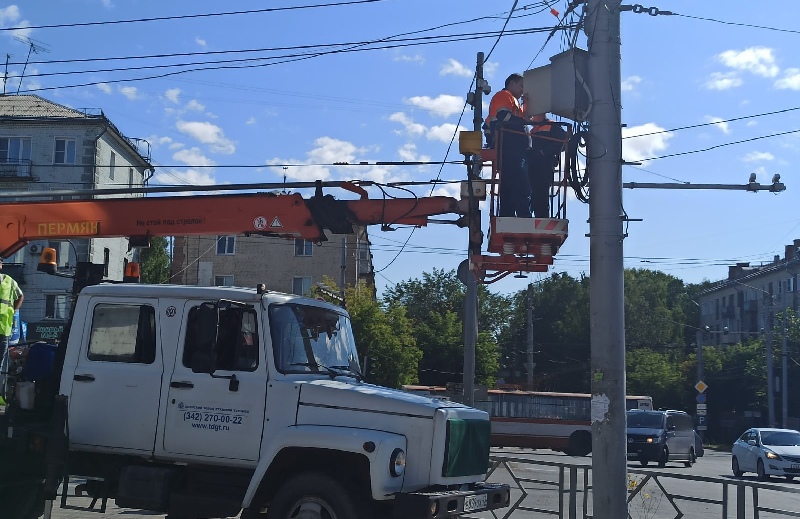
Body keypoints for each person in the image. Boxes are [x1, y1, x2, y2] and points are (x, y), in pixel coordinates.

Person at [484, 73, 533, 218]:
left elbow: (523, 117)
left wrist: (527, 105)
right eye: (521, 86)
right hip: (510, 148)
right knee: (520, 183)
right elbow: (503, 118)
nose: (522, 90)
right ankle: (524, 216)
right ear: (511, 83)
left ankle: (507, 216)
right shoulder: (504, 95)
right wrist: (524, 122)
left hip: (510, 148)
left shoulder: (513, 101)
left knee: (509, 185)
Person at [527, 114, 568, 218]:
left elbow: (563, 140)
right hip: (533, 165)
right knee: (533, 193)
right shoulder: (533, 129)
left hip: (544, 164)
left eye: (534, 115)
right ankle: (533, 216)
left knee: (541, 192)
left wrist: (544, 152)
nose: (532, 117)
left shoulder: (552, 126)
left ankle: (542, 217)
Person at [0, 258, 24, 398]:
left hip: (4, 329)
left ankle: (1, 395)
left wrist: (13, 311)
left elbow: (20, 296)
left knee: (1, 364)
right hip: (4, 330)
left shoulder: (8, 280)